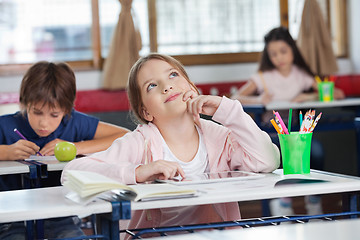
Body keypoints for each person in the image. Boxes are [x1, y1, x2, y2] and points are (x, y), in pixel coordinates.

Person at [61, 53, 280, 238]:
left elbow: (267, 161)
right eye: (152, 86)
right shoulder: (140, 142)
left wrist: (229, 111)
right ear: (146, 112)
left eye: (173, 75)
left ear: (191, 87)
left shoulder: (219, 137)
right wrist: (137, 172)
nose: (167, 86)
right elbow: (71, 173)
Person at [0, 61, 129, 239]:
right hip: (12, 216)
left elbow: (124, 135)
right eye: (37, 112)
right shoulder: (6, 125)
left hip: (61, 213)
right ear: (24, 103)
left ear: (67, 110)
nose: (44, 123)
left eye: (54, 115)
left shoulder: (73, 122)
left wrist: (76, 147)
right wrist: (5, 152)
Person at [231, 26, 345, 216]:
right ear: (268, 56)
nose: (279, 57)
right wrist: (259, 100)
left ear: (293, 50)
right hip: (271, 132)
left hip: (298, 132)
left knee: (315, 152)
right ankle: (283, 201)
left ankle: (313, 200)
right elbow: (235, 97)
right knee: (284, 156)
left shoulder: (301, 75)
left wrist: (307, 97)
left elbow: (337, 94)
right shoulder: (263, 78)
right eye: (273, 54)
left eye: (283, 51)